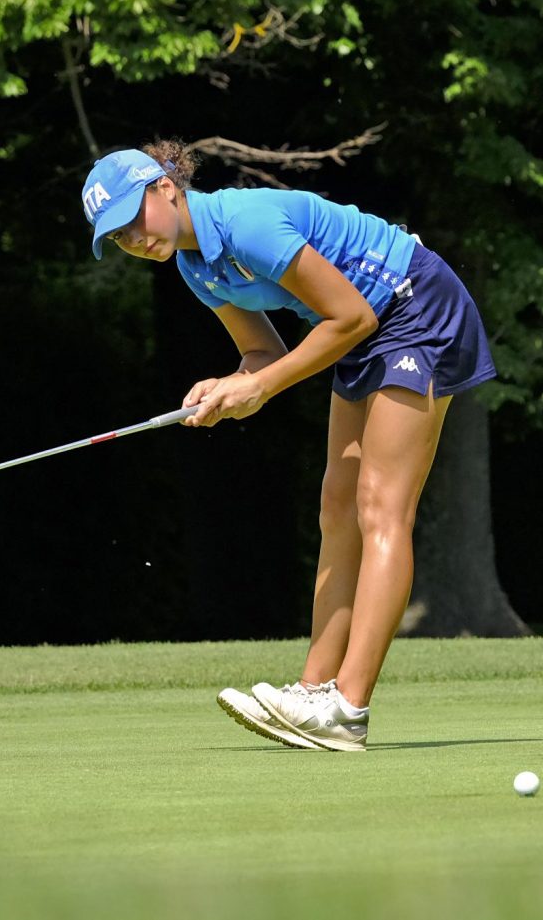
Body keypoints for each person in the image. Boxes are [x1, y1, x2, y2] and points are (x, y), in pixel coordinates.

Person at [79, 143, 496, 751]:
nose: (134, 239)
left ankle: (348, 708)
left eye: (132, 219)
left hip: (416, 306)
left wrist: (261, 386)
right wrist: (228, 386)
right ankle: (313, 690)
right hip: (363, 328)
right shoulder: (196, 268)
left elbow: (350, 317)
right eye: (118, 237)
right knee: (337, 507)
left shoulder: (245, 224)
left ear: (164, 188)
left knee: (381, 506)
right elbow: (263, 353)